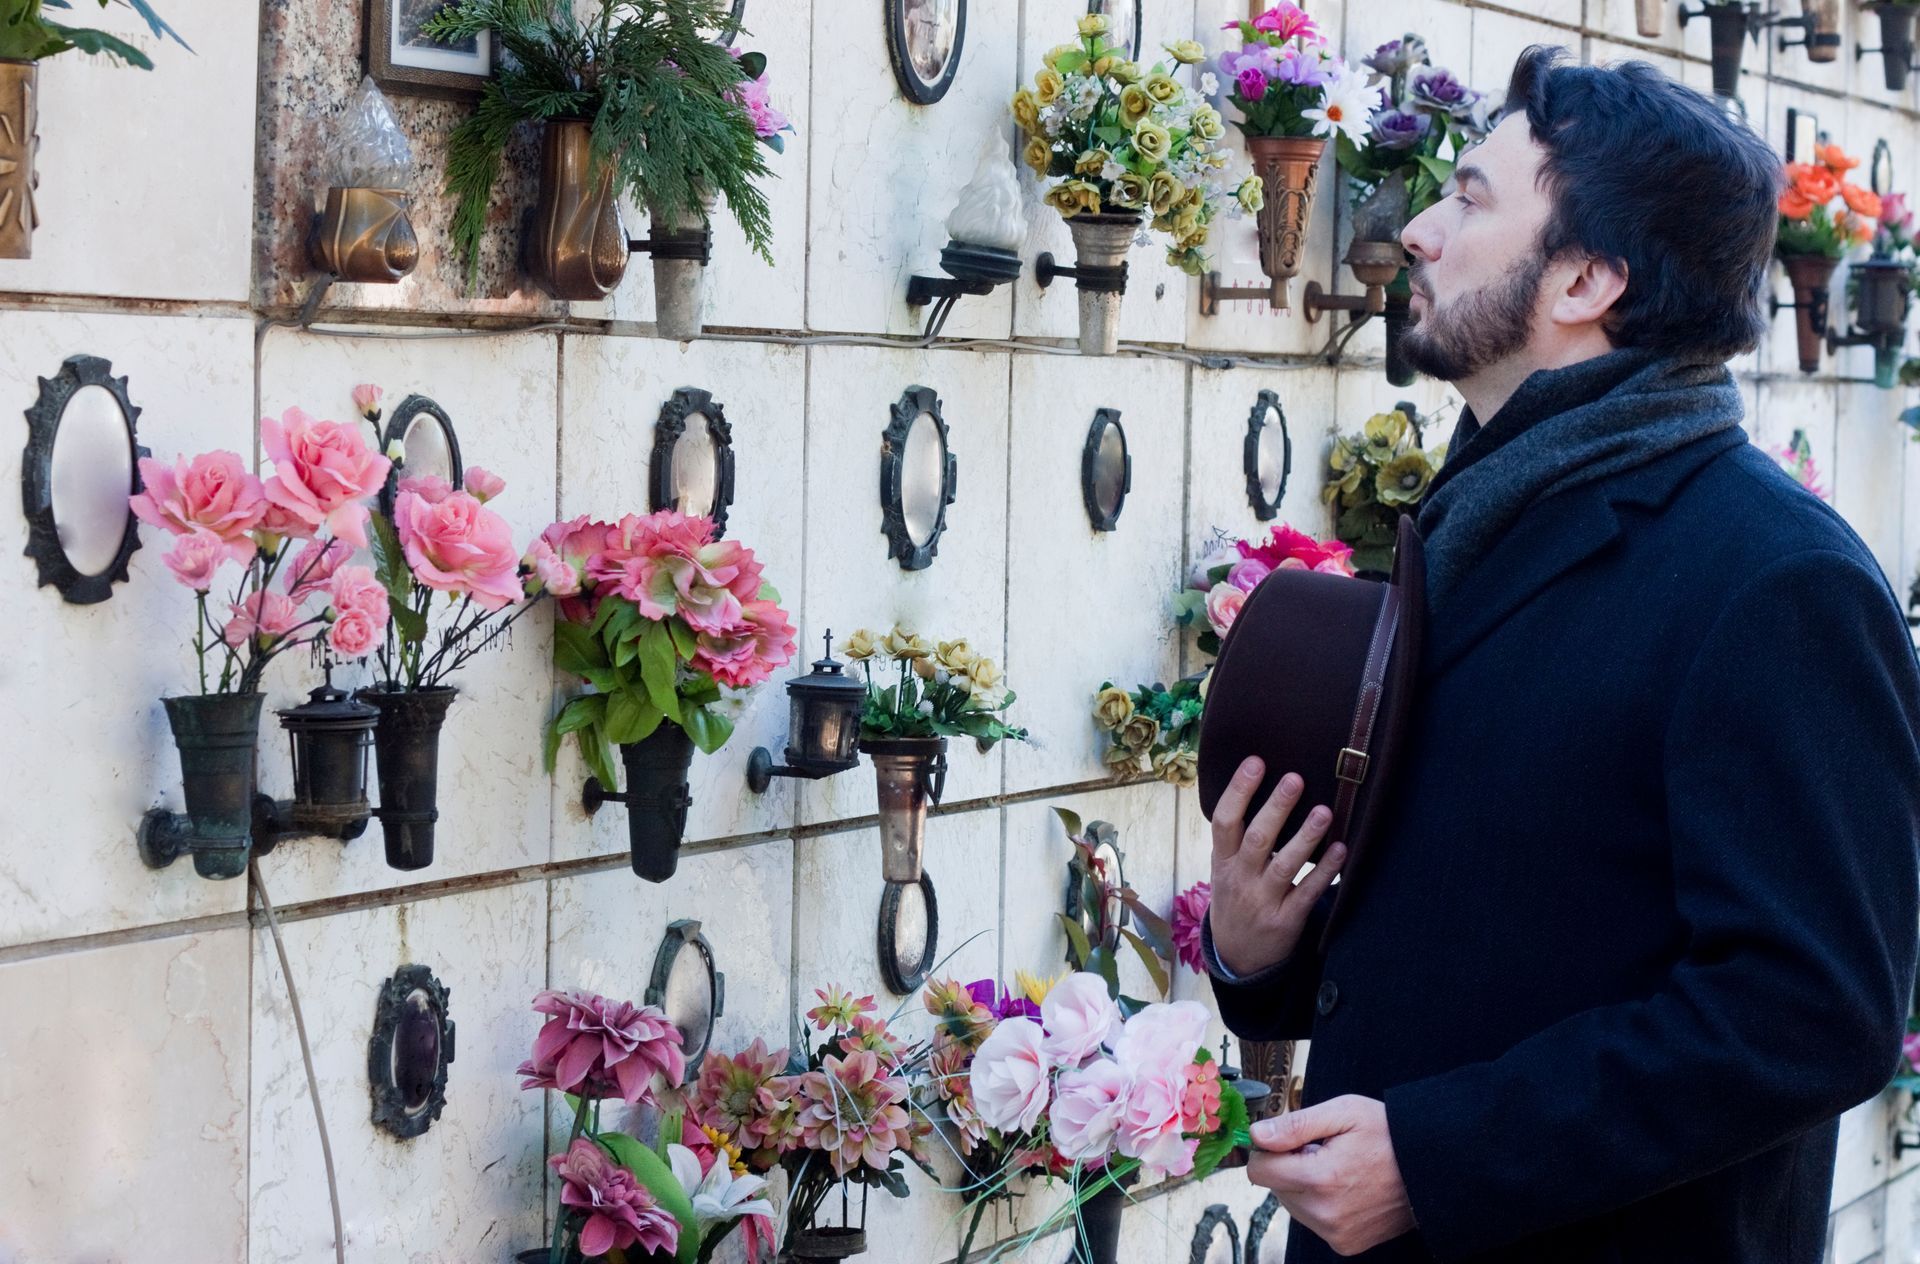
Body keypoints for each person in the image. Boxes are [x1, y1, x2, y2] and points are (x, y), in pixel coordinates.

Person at [1203, 45, 1920, 1262]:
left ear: (1587, 278)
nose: (1418, 231)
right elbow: (1508, 916)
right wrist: (1260, 950)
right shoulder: (1491, 512)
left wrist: (1436, 1160)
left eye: (1471, 198)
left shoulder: (1777, 580)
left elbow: (1811, 1011)